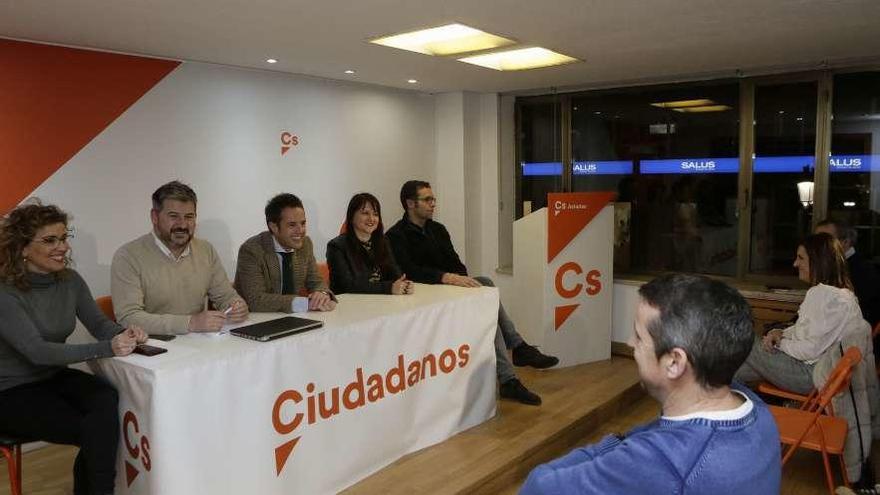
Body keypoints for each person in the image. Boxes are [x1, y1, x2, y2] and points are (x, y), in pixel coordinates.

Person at [520, 274, 781, 494]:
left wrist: (620, 450)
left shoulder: (663, 461)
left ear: (674, 362)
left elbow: (538, 487)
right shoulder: (756, 410)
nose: (630, 343)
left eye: (639, 336)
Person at [0, 201, 147, 495]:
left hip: (52, 377)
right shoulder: (5, 291)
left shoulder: (70, 280)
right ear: (23, 248)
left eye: (64, 237)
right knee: (98, 430)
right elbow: (37, 351)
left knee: (108, 399)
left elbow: (99, 324)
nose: (62, 247)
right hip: (9, 391)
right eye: (50, 240)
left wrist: (124, 332)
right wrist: (108, 347)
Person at [387, 180, 558, 406]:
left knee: (484, 284)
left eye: (433, 199)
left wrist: (458, 279)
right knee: (487, 301)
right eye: (427, 199)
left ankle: (514, 359)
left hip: (448, 290)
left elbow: (457, 264)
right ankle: (515, 358)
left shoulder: (438, 230)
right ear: (410, 203)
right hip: (424, 294)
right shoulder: (395, 235)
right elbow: (409, 271)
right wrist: (445, 277)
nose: (433, 204)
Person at [735, 233, 868, 394]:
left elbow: (809, 350)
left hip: (811, 377)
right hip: (827, 375)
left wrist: (778, 343)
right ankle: (712, 390)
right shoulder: (843, 295)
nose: (795, 263)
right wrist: (781, 333)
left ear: (819, 261)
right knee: (738, 369)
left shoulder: (823, 294)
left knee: (745, 340)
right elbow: (809, 331)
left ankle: (707, 391)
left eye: (801, 258)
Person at [112, 181, 248, 335]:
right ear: (154, 217)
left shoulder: (206, 250)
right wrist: (189, 323)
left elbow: (226, 296)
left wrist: (237, 306)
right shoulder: (128, 256)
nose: (182, 225)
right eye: (173, 216)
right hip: (154, 346)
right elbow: (129, 317)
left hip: (198, 343)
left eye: (189, 217)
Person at [235, 193, 336, 312]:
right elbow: (256, 300)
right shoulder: (251, 250)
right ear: (274, 227)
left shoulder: (305, 244)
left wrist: (322, 294)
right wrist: (305, 304)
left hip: (293, 318)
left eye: (303, 223)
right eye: (292, 225)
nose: (301, 231)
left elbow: (316, 281)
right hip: (256, 320)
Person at [326, 193, 413, 295]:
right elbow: (347, 285)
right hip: (351, 304)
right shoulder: (337, 246)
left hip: (380, 301)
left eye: (375, 214)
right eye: (365, 213)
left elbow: (394, 272)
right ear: (351, 216)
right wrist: (388, 288)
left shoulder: (383, 241)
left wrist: (404, 284)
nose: (371, 218)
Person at [816, 218, 880, 328]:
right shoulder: (831, 265)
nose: (817, 246)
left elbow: (857, 317)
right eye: (816, 240)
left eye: (825, 240)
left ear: (845, 242)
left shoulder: (862, 271)